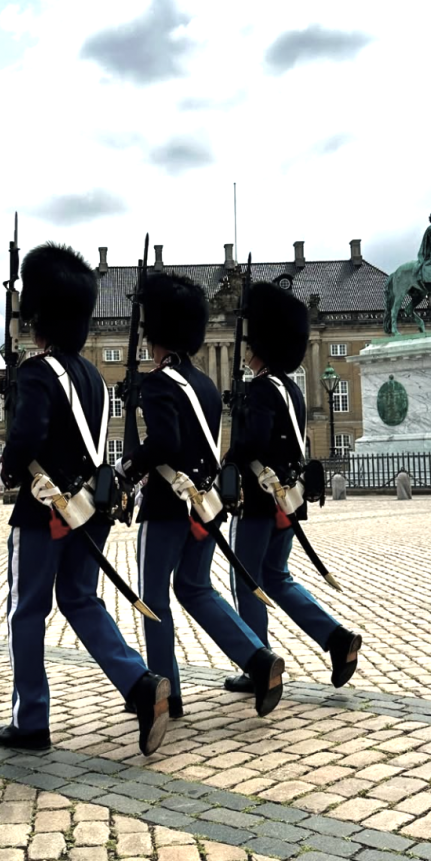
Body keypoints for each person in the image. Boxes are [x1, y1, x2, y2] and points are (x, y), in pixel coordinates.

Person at [0, 242, 170, 757]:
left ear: (38, 317)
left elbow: (27, 437)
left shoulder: (37, 372)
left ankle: (31, 720)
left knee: (27, 610)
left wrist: (6, 469)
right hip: (90, 507)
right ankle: (138, 683)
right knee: (80, 599)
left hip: (45, 510)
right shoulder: (92, 376)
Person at [118, 271, 285, 720]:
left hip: (166, 506)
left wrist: (127, 468)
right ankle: (258, 657)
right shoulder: (206, 385)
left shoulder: (159, 383)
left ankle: (166, 694)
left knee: (154, 598)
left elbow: (164, 444)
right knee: (195, 587)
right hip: (204, 506)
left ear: (156, 334)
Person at [223, 281, 362, 695]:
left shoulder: (261, 389)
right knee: (277, 577)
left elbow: (253, 442)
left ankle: (258, 662)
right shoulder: (292, 389)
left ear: (259, 348)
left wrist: (228, 457)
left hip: (257, 500)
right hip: (287, 498)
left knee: (248, 580)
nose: (246, 354)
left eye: (250, 347)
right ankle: (336, 637)